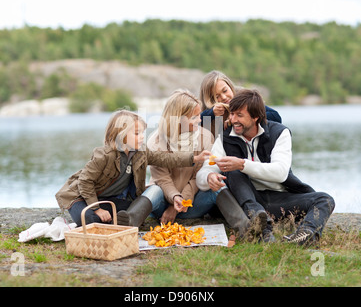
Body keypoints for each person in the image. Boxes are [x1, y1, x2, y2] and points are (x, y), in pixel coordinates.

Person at [196, 89, 335, 246]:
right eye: (232, 114)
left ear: (256, 117)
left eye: (239, 115)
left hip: (279, 199)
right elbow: (204, 172)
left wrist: (243, 164)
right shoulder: (225, 138)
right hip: (246, 200)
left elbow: (280, 173)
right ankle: (261, 226)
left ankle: (304, 236)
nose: (233, 120)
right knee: (232, 169)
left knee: (325, 199)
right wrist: (209, 177)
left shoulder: (280, 133)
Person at [55, 109, 210, 227]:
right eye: (137, 133)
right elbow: (85, 182)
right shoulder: (104, 155)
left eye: (143, 132)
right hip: (81, 197)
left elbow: (165, 158)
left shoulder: (140, 152)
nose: (142, 136)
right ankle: (103, 221)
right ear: (121, 135)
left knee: (137, 209)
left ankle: (124, 223)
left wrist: (194, 158)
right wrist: (97, 210)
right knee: (90, 219)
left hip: (107, 199)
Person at [132, 89, 218, 224]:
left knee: (218, 187)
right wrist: (174, 200)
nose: (199, 120)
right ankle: (129, 221)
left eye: (199, 115)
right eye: (194, 117)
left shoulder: (206, 137)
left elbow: (198, 177)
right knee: (154, 189)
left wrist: (178, 205)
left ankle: (247, 223)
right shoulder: (155, 141)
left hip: (191, 205)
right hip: (162, 207)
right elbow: (162, 179)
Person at [199, 70, 282, 138]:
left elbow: (276, 117)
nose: (223, 97)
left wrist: (245, 118)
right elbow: (193, 124)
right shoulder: (209, 112)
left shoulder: (243, 97)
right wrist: (212, 113)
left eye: (225, 91)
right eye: (217, 96)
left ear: (230, 86)